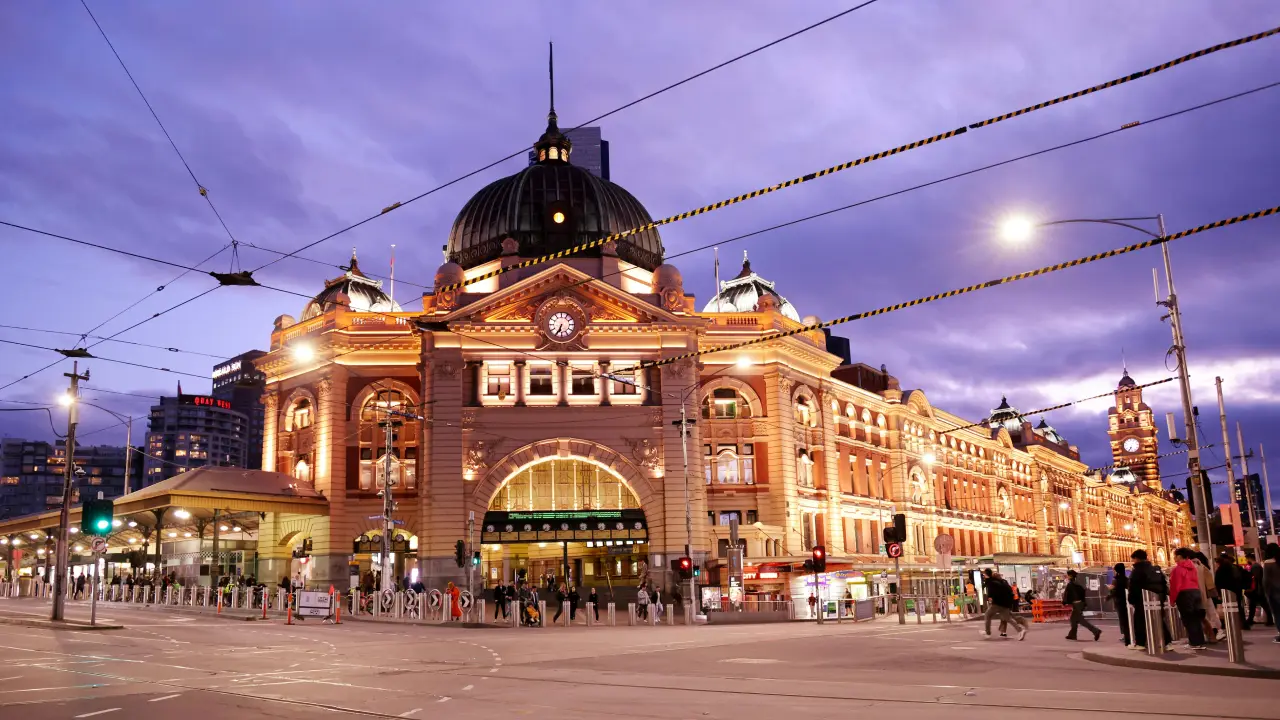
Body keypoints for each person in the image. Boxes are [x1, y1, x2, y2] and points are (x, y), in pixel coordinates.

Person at [1128, 549, 1169, 651]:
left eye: (1133, 560)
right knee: (1159, 620)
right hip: (1157, 599)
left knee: (1140, 621)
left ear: (1136, 559)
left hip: (1142, 600)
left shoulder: (1137, 570)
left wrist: (1131, 600)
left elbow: (1133, 587)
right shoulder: (1154, 568)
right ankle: (1168, 643)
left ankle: (1141, 643)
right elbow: (1164, 584)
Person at [1170, 548, 1207, 650]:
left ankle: (1194, 643)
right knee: (1196, 618)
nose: (1174, 558)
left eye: (1175, 556)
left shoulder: (1177, 569)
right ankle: (1199, 641)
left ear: (1180, 557)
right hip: (1195, 592)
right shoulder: (1193, 567)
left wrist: (1172, 600)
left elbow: (1175, 586)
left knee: (1188, 619)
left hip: (1184, 594)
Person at [980, 571, 1027, 640]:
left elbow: (992, 592)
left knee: (987, 615)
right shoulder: (1005, 583)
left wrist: (990, 597)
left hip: (997, 604)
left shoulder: (994, 583)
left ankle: (988, 633)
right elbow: (1010, 593)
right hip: (1005, 604)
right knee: (1008, 619)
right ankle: (1020, 630)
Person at [1063, 569, 1101, 641]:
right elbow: (1082, 593)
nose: (1067, 577)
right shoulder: (1078, 584)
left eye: (1067, 575)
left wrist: (1064, 603)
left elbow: (1067, 594)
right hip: (1080, 603)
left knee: (1081, 620)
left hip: (1076, 604)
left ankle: (1096, 631)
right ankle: (1072, 634)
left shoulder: (1070, 584)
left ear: (1070, 576)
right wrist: (1084, 603)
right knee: (1073, 619)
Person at [1215, 554, 1250, 631]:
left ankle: (1230, 623)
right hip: (1237, 589)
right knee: (1238, 607)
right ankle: (1243, 623)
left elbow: (1218, 582)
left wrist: (1219, 593)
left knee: (1228, 608)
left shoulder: (1221, 569)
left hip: (1226, 592)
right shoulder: (1237, 567)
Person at [1192, 551, 1220, 643]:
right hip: (1208, 594)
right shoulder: (1204, 566)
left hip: (1202, 593)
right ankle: (1213, 633)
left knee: (1205, 616)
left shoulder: (1198, 567)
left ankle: (1211, 635)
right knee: (1210, 614)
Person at [1262, 543, 1280, 644]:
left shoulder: (1268, 563)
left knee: (1278, 614)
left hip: (1274, 593)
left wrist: (1266, 593)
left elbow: (1266, 581)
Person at [1110, 563, 1131, 646]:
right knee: (1127, 619)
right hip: (1127, 601)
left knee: (1123, 620)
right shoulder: (1126, 579)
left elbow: (1115, 592)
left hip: (1120, 602)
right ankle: (1128, 635)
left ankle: (1127, 637)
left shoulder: (1116, 580)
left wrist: (1111, 589)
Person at [1246, 558, 1269, 627]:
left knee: (1262, 604)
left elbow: (1256, 578)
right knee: (1254, 605)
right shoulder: (1256, 566)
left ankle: (1250, 619)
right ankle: (1250, 619)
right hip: (1257, 589)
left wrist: (1255, 588)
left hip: (1256, 590)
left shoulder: (1255, 566)